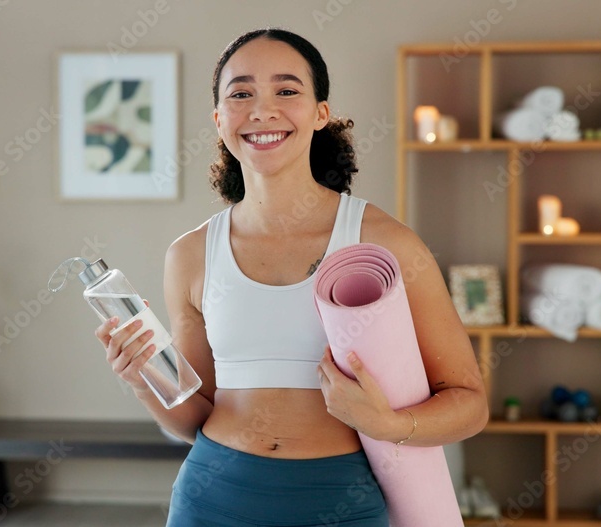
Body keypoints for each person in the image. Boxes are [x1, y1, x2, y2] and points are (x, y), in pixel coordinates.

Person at [96, 28, 488, 527]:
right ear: (219, 120)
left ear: (320, 112)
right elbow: (193, 418)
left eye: (287, 90)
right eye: (241, 94)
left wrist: (387, 424)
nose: (262, 110)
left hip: (339, 501)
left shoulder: (384, 243)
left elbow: (469, 404)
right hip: (212, 498)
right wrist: (141, 379)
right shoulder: (191, 255)